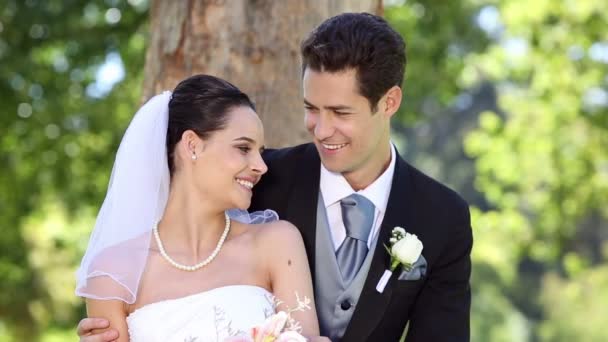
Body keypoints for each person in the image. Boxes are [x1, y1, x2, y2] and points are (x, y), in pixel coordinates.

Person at [79, 12, 472, 342]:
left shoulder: (442, 216)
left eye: (340, 112)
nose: (320, 129)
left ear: (389, 102)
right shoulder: (258, 180)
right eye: (311, 108)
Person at [75, 74, 323, 341]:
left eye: (260, 152)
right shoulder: (113, 272)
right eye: (243, 148)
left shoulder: (277, 243)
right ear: (192, 145)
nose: (261, 166)